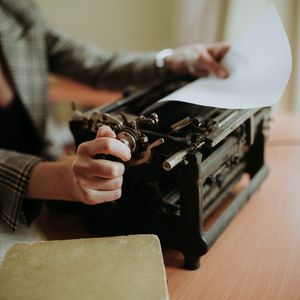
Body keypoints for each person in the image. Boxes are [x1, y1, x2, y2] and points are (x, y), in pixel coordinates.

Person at [0, 0, 230, 231]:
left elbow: (94, 64)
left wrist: (168, 61)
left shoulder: (13, 9)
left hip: (53, 186)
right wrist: (57, 179)